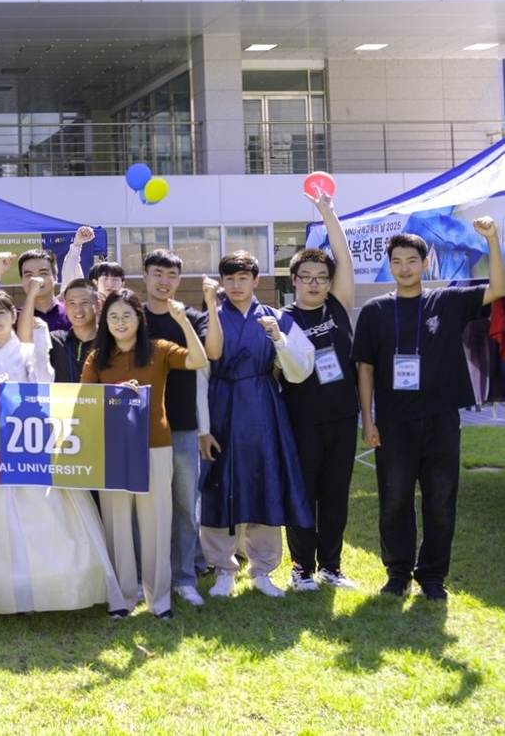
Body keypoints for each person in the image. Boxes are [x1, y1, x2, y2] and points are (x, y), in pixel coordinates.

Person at [353, 218, 505, 601]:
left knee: (440, 500)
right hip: (393, 422)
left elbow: (499, 288)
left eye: (411, 260)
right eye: (397, 261)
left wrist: (492, 239)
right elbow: (365, 368)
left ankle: (433, 576)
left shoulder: (446, 301)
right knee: (395, 500)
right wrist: (368, 420)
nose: (404, 267)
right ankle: (398, 573)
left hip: (441, 419)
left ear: (425, 263)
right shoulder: (374, 311)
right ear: (390, 265)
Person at [0, 287, 124, 615]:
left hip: (28, 440)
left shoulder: (27, 349)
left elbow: (44, 381)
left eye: (1, 313)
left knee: (42, 513)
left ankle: (54, 586)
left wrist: (38, 347)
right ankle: (2, 588)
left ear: (13, 316)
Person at [81, 289, 208, 619]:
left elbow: (198, 360)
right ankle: (123, 598)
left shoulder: (159, 350)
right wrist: (116, 396)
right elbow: (84, 402)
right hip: (112, 450)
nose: (120, 323)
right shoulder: (97, 359)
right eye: (113, 317)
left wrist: (182, 321)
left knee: (156, 522)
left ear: (140, 319)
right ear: (104, 322)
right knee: (117, 524)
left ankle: (159, 599)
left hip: (155, 445)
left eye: (127, 316)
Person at [199, 251, 315, 599]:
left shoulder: (277, 319)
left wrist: (278, 338)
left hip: (263, 406)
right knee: (218, 485)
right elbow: (201, 374)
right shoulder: (210, 319)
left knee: (265, 482)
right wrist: (203, 427)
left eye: (243, 278)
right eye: (229, 279)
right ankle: (223, 569)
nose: (236, 285)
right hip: (220, 406)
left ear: (256, 280)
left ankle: (263, 569)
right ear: (222, 282)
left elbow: (301, 370)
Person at [281, 189, 360, 591]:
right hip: (302, 422)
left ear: (330, 282)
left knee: (335, 496)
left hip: (343, 418)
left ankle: (331, 567)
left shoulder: (339, 306)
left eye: (321, 278)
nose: (314, 284)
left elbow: (343, 255)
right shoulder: (282, 320)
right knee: (303, 495)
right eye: (306, 277)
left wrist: (327, 210)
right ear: (293, 280)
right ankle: (301, 568)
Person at [141, 248, 211, 608]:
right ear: (145, 276)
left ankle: (184, 578)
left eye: (171, 276)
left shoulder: (192, 318)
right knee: (141, 507)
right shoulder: (132, 317)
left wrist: (191, 316)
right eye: (157, 274)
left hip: (182, 425)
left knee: (185, 505)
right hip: (138, 428)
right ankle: (144, 578)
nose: (164, 281)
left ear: (178, 280)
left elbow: (210, 353)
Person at [49, 279, 100, 383]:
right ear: (66, 307)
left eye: (84, 302)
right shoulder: (54, 341)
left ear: (98, 306)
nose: (78, 309)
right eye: (72, 303)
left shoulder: (110, 342)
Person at [14, 248, 70, 334]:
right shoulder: (13, 318)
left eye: (43, 273)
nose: (36, 279)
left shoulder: (71, 313)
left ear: (55, 277)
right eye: (29, 275)